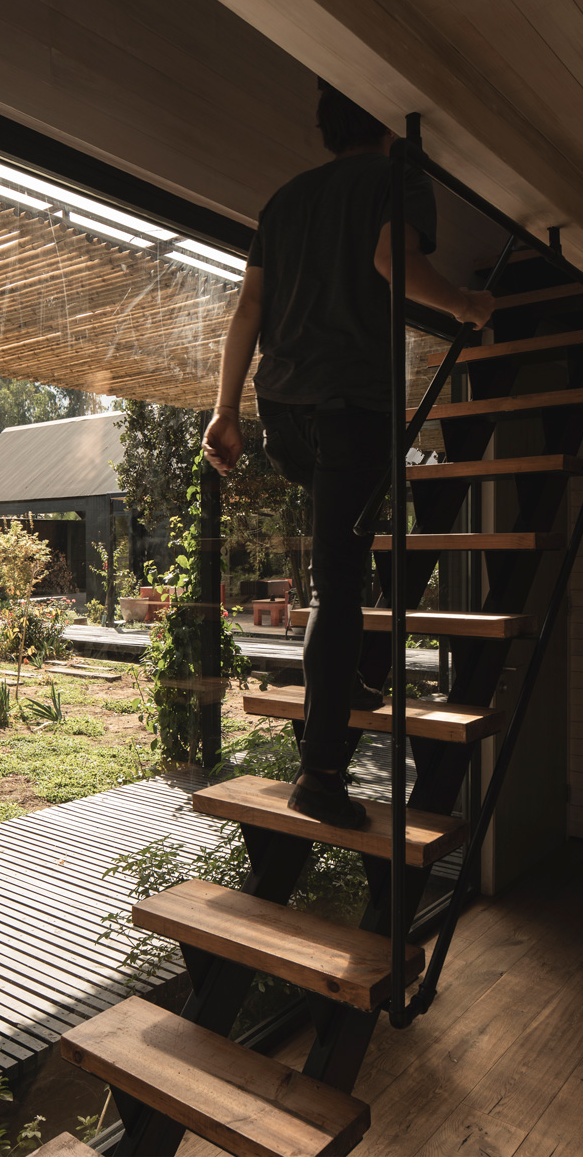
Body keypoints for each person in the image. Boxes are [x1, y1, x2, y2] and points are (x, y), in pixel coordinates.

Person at [203, 86, 494, 828]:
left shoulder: (284, 200)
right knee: (337, 584)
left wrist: (224, 410)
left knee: (348, 548)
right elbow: (391, 258)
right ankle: (322, 774)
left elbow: (249, 310)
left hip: (284, 413)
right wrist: (463, 303)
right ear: (388, 126)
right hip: (350, 404)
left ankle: (360, 672)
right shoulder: (399, 177)